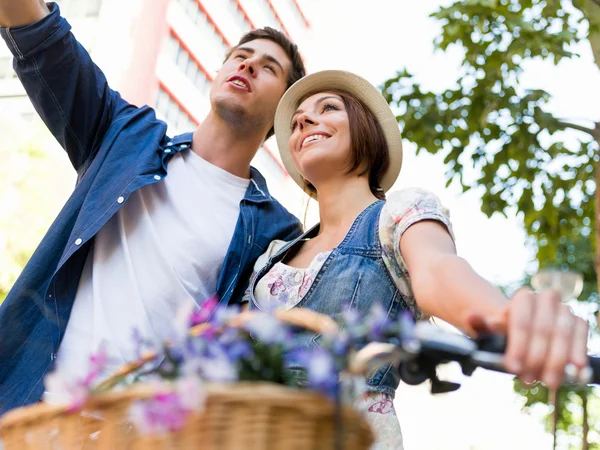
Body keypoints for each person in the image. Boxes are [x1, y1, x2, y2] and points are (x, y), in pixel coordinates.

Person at [243, 70, 590, 449]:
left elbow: (438, 272)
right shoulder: (273, 256)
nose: (305, 121)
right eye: (296, 122)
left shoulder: (398, 215)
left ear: (365, 131)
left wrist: (507, 321)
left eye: (328, 108)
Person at [0, 1, 305, 414]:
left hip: (138, 433)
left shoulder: (277, 234)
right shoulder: (126, 138)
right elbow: (44, 40)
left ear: (284, 113)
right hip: (28, 408)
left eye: (269, 68)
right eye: (240, 56)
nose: (248, 65)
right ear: (219, 72)